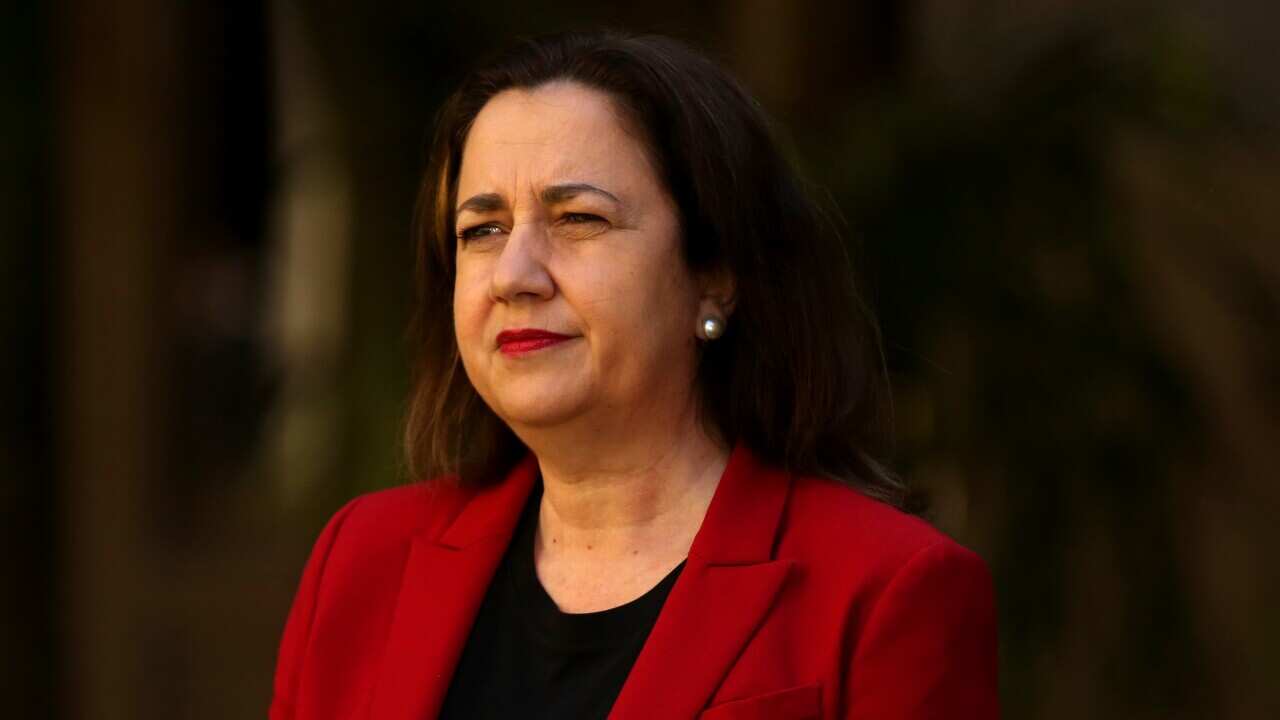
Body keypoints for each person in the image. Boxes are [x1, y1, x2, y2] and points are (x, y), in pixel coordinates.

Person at [269, 31, 998, 720]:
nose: (514, 275)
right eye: (482, 230)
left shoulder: (886, 591)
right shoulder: (362, 559)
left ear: (714, 276)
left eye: (579, 219)